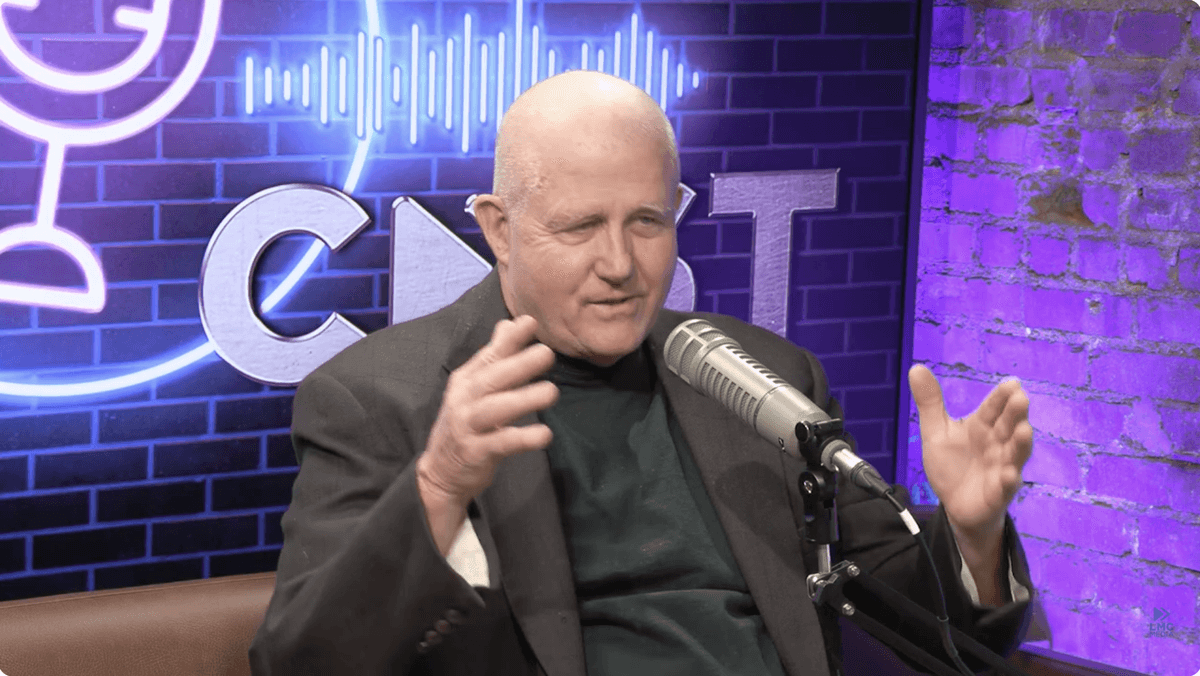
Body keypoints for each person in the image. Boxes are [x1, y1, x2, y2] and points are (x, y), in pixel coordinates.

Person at [249, 70, 1034, 676]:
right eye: (580, 226)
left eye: (647, 222)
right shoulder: (382, 396)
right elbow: (305, 662)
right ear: (499, 229)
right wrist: (442, 483)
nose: (620, 264)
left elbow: (911, 619)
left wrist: (972, 534)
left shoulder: (760, 376)